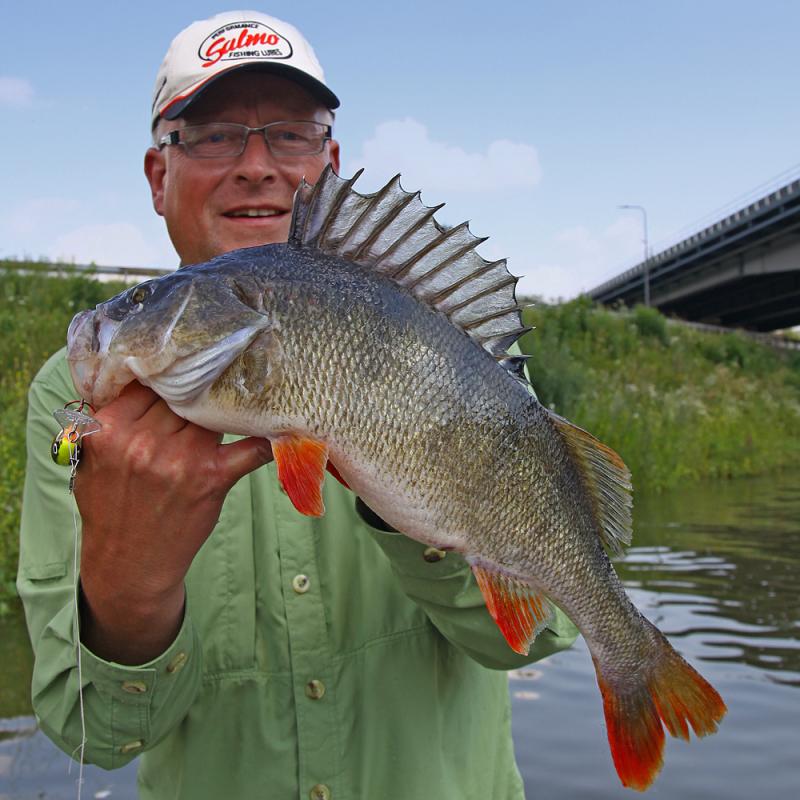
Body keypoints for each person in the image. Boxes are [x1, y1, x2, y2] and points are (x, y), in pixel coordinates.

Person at [18, 10, 578, 799]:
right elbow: (94, 737)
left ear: (330, 163)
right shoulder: (73, 403)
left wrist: (410, 495)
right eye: (213, 135)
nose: (256, 166)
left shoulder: (455, 342)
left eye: (290, 135)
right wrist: (128, 588)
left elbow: (536, 635)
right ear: (157, 176)